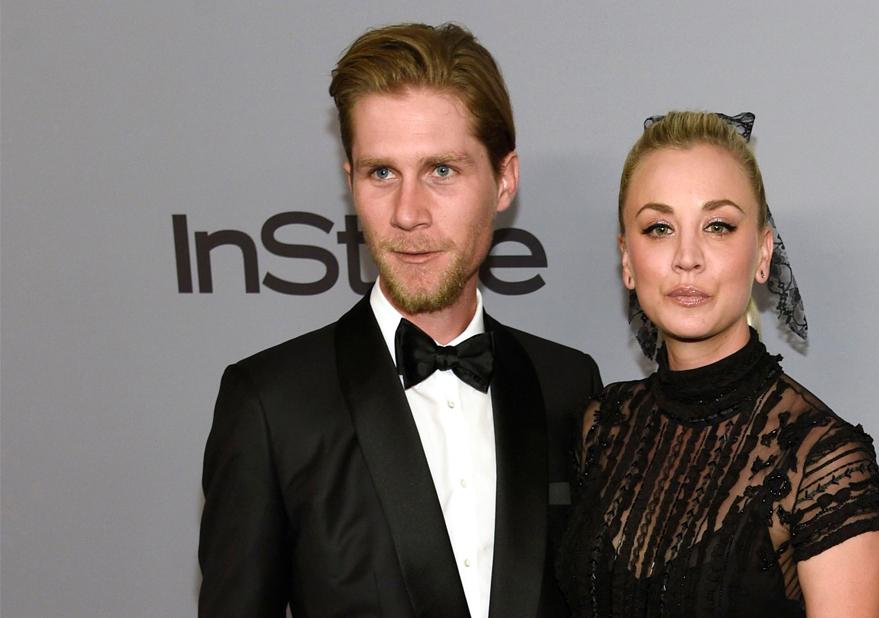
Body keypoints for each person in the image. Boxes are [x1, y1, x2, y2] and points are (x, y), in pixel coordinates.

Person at [198, 23, 601, 618]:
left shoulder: (569, 385)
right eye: (381, 173)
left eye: (442, 170)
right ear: (351, 183)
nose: (408, 213)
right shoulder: (270, 405)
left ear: (504, 180)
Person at [557, 111, 879, 616]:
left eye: (718, 226)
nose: (687, 256)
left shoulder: (821, 462)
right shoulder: (602, 425)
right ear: (626, 259)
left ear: (762, 253)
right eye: (659, 227)